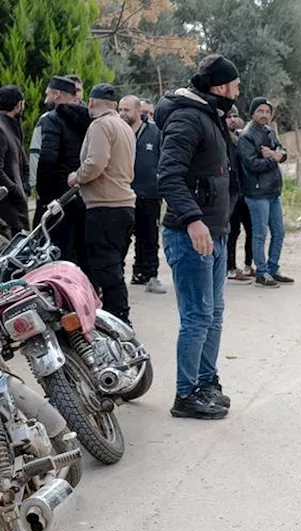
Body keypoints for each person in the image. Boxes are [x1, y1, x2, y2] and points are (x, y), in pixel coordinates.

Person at [156, 53, 242, 420]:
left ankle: (206, 381)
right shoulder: (188, 118)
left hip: (215, 232)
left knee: (214, 314)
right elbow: (168, 175)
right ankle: (185, 394)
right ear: (220, 87)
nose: (238, 93)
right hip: (191, 235)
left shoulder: (212, 116)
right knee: (196, 317)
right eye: (235, 87)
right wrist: (192, 220)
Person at [68, 84, 136, 323]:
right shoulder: (124, 127)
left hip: (104, 206)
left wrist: (77, 176)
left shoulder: (100, 125)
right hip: (125, 205)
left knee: (105, 269)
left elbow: (96, 163)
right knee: (114, 265)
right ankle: (116, 316)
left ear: (91, 102)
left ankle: (118, 319)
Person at [35, 76, 90, 262]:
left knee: (56, 251)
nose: (45, 100)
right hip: (84, 194)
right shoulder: (89, 120)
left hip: (58, 197)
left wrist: (43, 193)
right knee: (82, 251)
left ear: (57, 94)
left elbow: (47, 158)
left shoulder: (53, 119)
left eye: (47, 94)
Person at [238, 97, 291, 288]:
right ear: (252, 113)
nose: (264, 115)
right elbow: (251, 164)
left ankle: (273, 268)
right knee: (260, 233)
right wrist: (273, 159)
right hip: (257, 192)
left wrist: (278, 155)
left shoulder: (269, 131)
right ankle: (261, 272)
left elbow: (282, 150)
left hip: (273, 190)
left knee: (279, 232)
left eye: (267, 112)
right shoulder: (247, 136)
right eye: (260, 111)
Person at [118, 95, 165, 294]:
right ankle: (118, 276)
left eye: (126, 110)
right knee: (120, 237)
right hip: (122, 193)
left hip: (149, 193)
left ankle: (150, 275)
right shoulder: (116, 131)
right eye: (120, 109)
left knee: (149, 236)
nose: (122, 114)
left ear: (139, 111)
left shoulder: (155, 132)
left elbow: (164, 158)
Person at [223, 108, 254, 282]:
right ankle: (231, 268)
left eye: (235, 116)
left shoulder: (242, 137)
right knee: (233, 230)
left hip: (245, 190)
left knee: (251, 228)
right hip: (230, 192)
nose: (233, 119)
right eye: (229, 117)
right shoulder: (223, 138)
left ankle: (249, 265)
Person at [0, 86, 27, 235]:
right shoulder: (2, 129)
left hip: (14, 204)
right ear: (18, 105)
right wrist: (16, 190)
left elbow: (21, 160)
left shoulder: (11, 126)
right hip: (7, 207)